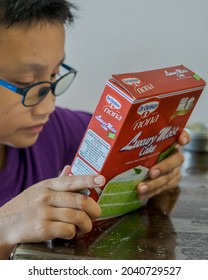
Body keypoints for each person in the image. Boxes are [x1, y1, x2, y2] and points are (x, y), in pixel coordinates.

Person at [0, 0, 190, 260]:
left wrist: (160, 166)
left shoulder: (56, 131)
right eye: (26, 83)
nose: (48, 106)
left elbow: (128, 146)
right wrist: (5, 227)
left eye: (55, 76)